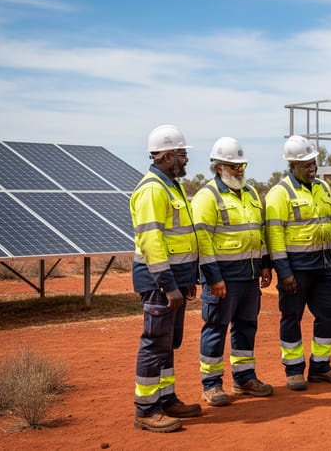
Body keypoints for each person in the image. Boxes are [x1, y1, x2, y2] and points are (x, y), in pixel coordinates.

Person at [130, 124, 202, 433]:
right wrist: (168, 285)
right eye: (183, 155)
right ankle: (146, 410)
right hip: (160, 282)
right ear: (168, 155)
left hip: (175, 280)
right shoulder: (152, 190)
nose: (186, 161)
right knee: (154, 343)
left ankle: (166, 398)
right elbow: (152, 241)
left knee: (168, 344)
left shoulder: (171, 186)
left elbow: (181, 239)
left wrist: (186, 280)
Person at [192, 137, 274, 407]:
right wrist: (213, 278)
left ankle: (244, 378)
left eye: (241, 165)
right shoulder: (207, 196)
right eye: (232, 165)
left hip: (249, 276)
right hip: (223, 278)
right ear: (218, 167)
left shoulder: (250, 193)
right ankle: (212, 385)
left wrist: (264, 263)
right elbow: (202, 241)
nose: (238, 170)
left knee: (247, 327)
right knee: (216, 328)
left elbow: (258, 232)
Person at [265, 135, 331, 391]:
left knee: (330, 311)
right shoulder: (279, 194)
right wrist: (284, 272)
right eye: (306, 165)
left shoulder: (322, 188)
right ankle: (293, 371)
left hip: (322, 266)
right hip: (296, 269)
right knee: (292, 316)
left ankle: (320, 366)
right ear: (292, 166)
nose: (312, 168)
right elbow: (274, 235)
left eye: (314, 163)